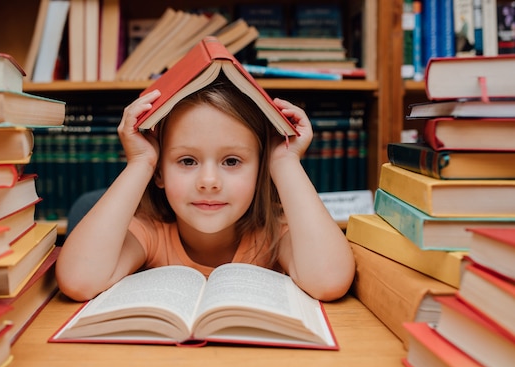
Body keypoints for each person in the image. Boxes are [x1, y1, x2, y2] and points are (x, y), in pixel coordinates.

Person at [56, 74, 355, 302]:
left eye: (232, 161)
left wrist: (285, 161)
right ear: (160, 171)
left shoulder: (275, 234)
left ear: (260, 169)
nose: (209, 181)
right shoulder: (149, 233)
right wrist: (140, 162)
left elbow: (329, 280)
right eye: (187, 161)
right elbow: (79, 280)